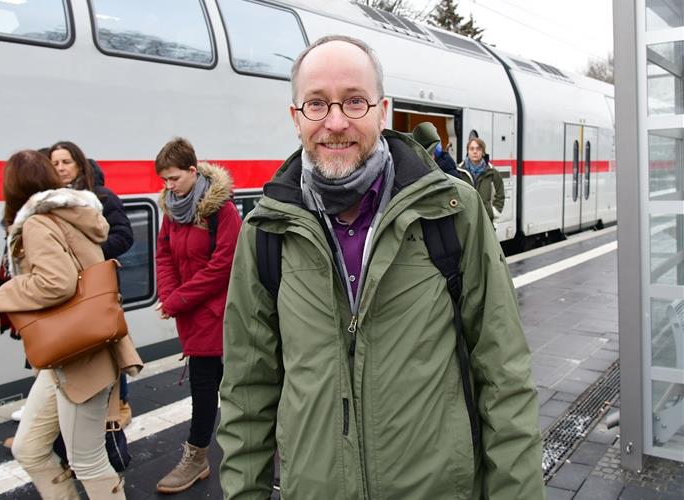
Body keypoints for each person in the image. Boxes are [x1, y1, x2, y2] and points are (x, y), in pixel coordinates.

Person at [217, 35, 543, 499]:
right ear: (295, 117)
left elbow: (504, 374)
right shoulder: (266, 232)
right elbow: (247, 392)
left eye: (354, 101)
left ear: (382, 111)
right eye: (316, 104)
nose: (334, 122)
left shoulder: (452, 213)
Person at [0, 150, 142, 499]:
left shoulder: (37, 223)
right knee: (28, 447)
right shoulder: (71, 213)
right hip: (72, 352)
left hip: (79, 355)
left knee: (87, 459)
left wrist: (5, 294)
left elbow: (57, 283)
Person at [154, 137, 241, 494]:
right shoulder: (173, 210)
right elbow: (163, 254)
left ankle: (199, 457)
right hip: (192, 314)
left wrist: (178, 300)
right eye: (164, 181)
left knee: (224, 389)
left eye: (174, 178)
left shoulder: (222, 211)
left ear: (192, 171)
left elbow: (224, 266)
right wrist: (169, 293)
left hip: (224, 316)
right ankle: (199, 457)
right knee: (206, 388)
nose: (169, 186)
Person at [49, 141, 135, 427]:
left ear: (79, 164)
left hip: (99, 285)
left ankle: (119, 404)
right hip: (69, 290)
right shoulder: (50, 201)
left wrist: (89, 256)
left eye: (66, 162)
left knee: (109, 343)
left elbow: (124, 236)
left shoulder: (101, 197)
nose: (60, 167)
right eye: (55, 163)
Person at [458, 137, 506, 222]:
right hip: (465, 221)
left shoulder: (493, 172)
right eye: (472, 149)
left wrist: (493, 212)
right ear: (468, 152)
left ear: (483, 152)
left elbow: (500, 194)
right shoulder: (459, 171)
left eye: (478, 149)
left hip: (486, 220)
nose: (475, 152)